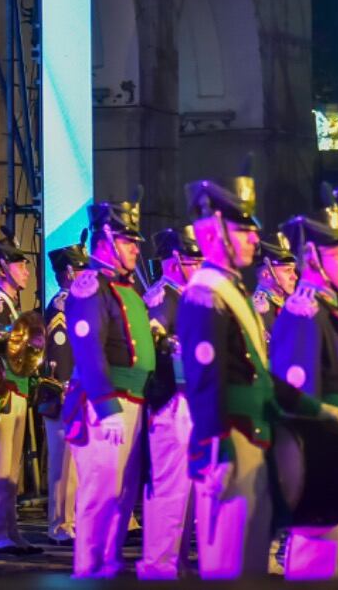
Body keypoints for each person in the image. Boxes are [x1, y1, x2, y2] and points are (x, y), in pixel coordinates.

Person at [180, 171, 338, 578]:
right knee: (229, 566)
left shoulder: (231, 290)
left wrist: (314, 409)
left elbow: (260, 378)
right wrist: (217, 448)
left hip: (256, 439)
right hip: (230, 442)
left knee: (251, 564)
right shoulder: (205, 294)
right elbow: (206, 379)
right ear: (215, 232)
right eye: (244, 230)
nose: (255, 238)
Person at [269, 199, 338, 579]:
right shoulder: (304, 311)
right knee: (318, 549)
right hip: (327, 446)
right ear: (314, 257)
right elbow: (296, 396)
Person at [66, 199, 155, 578]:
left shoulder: (126, 287)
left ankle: (109, 560)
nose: (136, 247)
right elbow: (88, 349)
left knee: (123, 493)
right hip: (108, 403)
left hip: (134, 402)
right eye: (127, 240)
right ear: (105, 240)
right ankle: (89, 565)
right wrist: (105, 405)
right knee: (100, 492)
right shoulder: (91, 286)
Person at [0, 237, 42, 556]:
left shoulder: (12, 304)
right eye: (19, 263)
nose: (26, 270)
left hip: (18, 390)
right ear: (2, 268)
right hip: (2, 394)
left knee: (11, 471)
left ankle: (10, 531)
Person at [138, 227, 201, 578]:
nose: (201, 266)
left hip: (193, 399)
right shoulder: (162, 298)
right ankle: (159, 559)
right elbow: (163, 348)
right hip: (172, 401)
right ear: (175, 260)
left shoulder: (189, 296)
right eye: (195, 260)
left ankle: (178, 557)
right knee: (169, 486)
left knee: (190, 488)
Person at [41, 244, 86, 547]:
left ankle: (74, 521)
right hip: (61, 390)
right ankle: (59, 525)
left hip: (79, 392)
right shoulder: (62, 303)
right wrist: (65, 386)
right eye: (81, 270)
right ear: (69, 272)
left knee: (78, 464)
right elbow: (59, 349)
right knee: (63, 465)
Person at [252, 234, 299, 334]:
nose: (294, 277)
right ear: (266, 274)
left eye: (294, 270)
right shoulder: (259, 312)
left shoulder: (289, 306)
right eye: (288, 271)